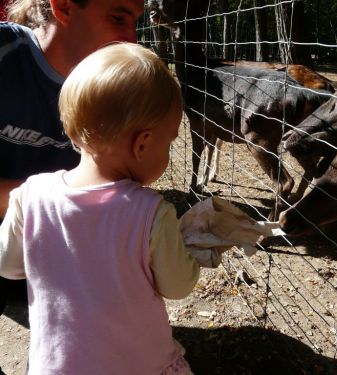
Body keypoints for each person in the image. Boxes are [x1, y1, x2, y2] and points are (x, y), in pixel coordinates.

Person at [0, 42, 199, 374]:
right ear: (143, 143)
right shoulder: (152, 213)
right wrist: (190, 254)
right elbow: (178, 286)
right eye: (170, 140)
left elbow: (7, 266)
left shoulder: (29, 195)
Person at [0, 0, 145, 314]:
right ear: (64, 6)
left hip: (50, 252)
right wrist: (51, 197)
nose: (132, 38)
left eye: (134, 22)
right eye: (118, 17)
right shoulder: (6, 55)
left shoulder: (108, 90)